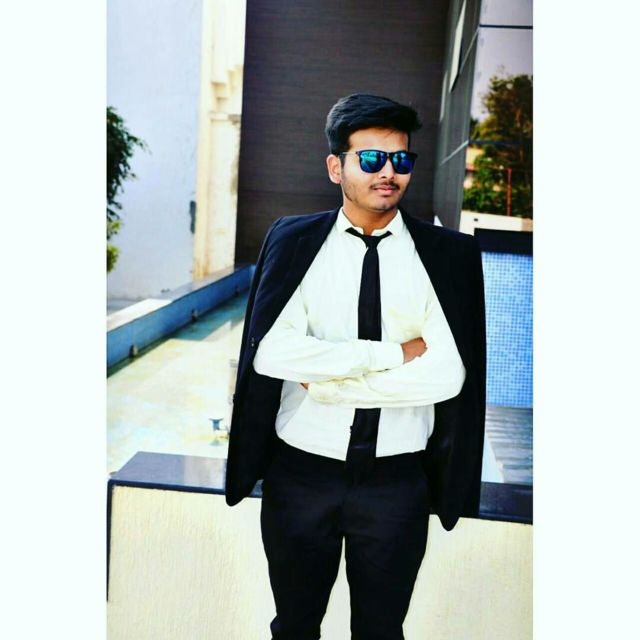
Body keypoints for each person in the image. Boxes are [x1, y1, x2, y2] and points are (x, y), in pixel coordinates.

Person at [225, 93, 486, 640]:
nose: (388, 173)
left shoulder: (448, 256)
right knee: (294, 627)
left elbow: (447, 375)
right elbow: (273, 353)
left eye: (401, 160)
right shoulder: (293, 241)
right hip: (302, 473)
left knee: (381, 632)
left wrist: (330, 387)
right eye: (370, 159)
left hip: (396, 481)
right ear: (335, 167)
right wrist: (391, 355)